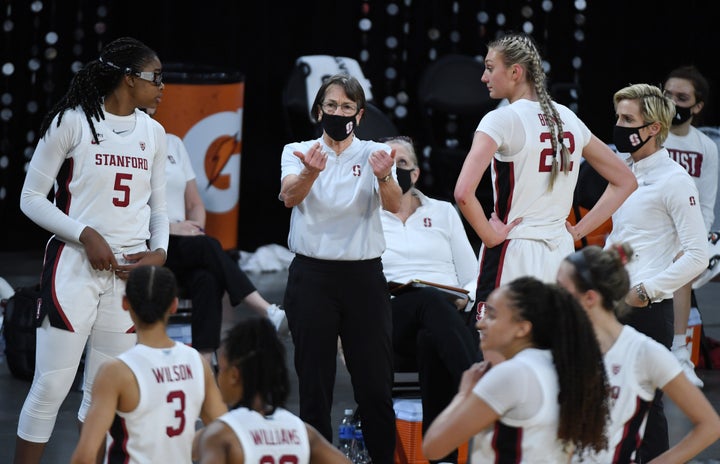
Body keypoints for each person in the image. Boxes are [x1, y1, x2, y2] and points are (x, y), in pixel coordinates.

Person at [14, 37, 170, 464]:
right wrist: (85, 234)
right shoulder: (72, 121)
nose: (162, 86)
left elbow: (161, 206)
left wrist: (159, 252)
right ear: (127, 78)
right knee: (50, 387)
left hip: (126, 276)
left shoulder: (155, 134)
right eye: (155, 77)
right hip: (74, 267)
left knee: (103, 395)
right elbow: (31, 198)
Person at [453, 32, 637, 314]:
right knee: (549, 349)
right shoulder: (569, 117)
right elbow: (625, 180)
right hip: (560, 254)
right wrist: (578, 231)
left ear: (515, 72)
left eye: (490, 68)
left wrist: (490, 237)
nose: (483, 77)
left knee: (497, 349)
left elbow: (463, 193)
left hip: (514, 249)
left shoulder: (500, 119)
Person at [279, 73, 402, 464]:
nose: (338, 113)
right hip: (312, 277)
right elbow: (288, 197)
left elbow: (395, 205)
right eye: (331, 106)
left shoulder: (374, 154)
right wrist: (311, 172)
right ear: (319, 110)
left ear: (359, 115)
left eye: (346, 107)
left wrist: (384, 175)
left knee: (375, 387)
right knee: (314, 388)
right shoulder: (298, 150)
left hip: (364, 278)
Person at [604, 82, 709, 462]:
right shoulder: (624, 172)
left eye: (627, 119)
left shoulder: (675, 180)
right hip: (610, 306)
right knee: (611, 411)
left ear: (653, 128)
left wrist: (646, 291)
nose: (618, 125)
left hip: (646, 311)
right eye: (617, 117)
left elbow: (699, 255)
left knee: (647, 411)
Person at [557, 244, 720, 463]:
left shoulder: (644, 352)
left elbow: (710, 426)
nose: (554, 297)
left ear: (590, 298)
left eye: (561, 289)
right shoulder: (558, 345)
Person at [148, 105, 285, 362]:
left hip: (182, 241)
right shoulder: (128, 149)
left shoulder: (173, 143)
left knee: (207, 278)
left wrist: (196, 230)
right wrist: (170, 228)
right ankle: (267, 311)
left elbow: (195, 203)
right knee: (209, 247)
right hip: (150, 238)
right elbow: (125, 211)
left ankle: (203, 361)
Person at [421, 276, 610, 462]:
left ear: (522, 329)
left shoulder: (512, 374)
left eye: (492, 315)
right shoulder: (561, 366)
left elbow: (433, 448)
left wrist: (463, 395)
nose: (480, 323)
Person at [379, 136, 480, 464]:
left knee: (431, 336)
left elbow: (472, 275)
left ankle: (442, 457)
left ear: (417, 173)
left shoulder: (443, 212)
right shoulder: (365, 215)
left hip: (449, 318)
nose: (397, 171)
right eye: (389, 165)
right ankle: (478, 390)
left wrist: (466, 299)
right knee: (427, 300)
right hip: (392, 318)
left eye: (403, 164)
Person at [70, 265, 227, 464]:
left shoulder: (116, 373)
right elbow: (225, 432)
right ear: (174, 305)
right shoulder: (197, 363)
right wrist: (183, 444)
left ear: (126, 303)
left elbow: (85, 456)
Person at [196, 316, 352, 464]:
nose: (218, 377)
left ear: (234, 375)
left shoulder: (221, 435)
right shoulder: (303, 432)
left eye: (220, 370)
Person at [662, 65, 718, 388]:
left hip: (689, 231)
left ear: (696, 106)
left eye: (681, 98)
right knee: (680, 257)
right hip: (650, 230)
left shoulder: (706, 148)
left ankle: (683, 354)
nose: (671, 102)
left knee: (688, 253)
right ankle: (678, 353)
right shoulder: (650, 134)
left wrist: (700, 245)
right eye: (666, 94)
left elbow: (707, 207)